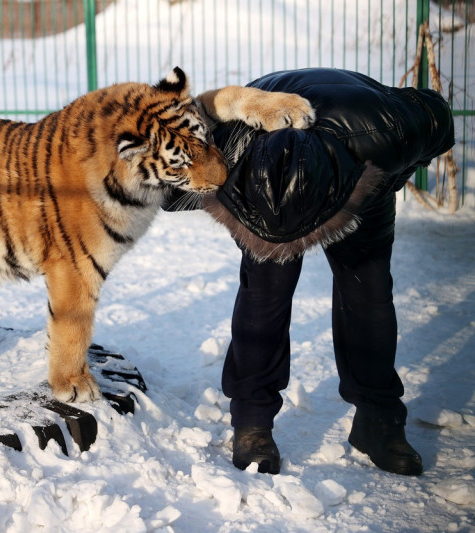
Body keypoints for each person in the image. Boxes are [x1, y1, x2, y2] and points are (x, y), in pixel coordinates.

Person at [171, 68, 455, 475]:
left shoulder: (386, 131)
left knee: (369, 293)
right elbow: (168, 180)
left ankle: (378, 418)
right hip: (259, 162)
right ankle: (252, 422)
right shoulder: (228, 148)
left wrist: (392, 174)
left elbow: (436, 120)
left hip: (362, 169)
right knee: (263, 296)